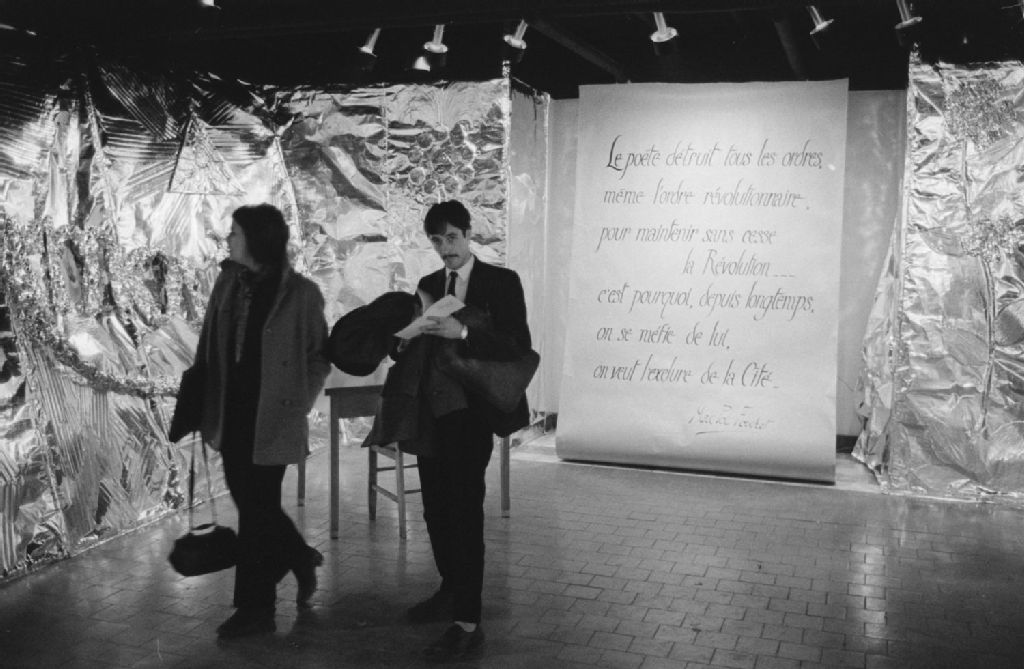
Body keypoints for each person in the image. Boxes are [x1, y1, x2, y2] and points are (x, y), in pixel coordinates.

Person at [194, 203, 330, 639]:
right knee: (255, 505)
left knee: (256, 513)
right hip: (231, 413)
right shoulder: (228, 282)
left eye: (234, 233)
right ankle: (299, 558)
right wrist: (201, 396)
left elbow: (318, 356)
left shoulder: (301, 294)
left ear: (256, 239)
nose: (228, 239)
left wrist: (299, 402)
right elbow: (208, 341)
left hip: (274, 416)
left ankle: (256, 609)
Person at [404, 200, 532, 662]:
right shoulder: (427, 285)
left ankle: (468, 621)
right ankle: (450, 589)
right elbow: (421, 348)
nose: (446, 248)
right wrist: (404, 339)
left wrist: (461, 333)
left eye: (452, 237)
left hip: (472, 415)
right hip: (432, 415)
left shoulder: (501, 281)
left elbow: (517, 345)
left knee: (463, 512)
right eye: (437, 240)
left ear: (469, 233)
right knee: (434, 510)